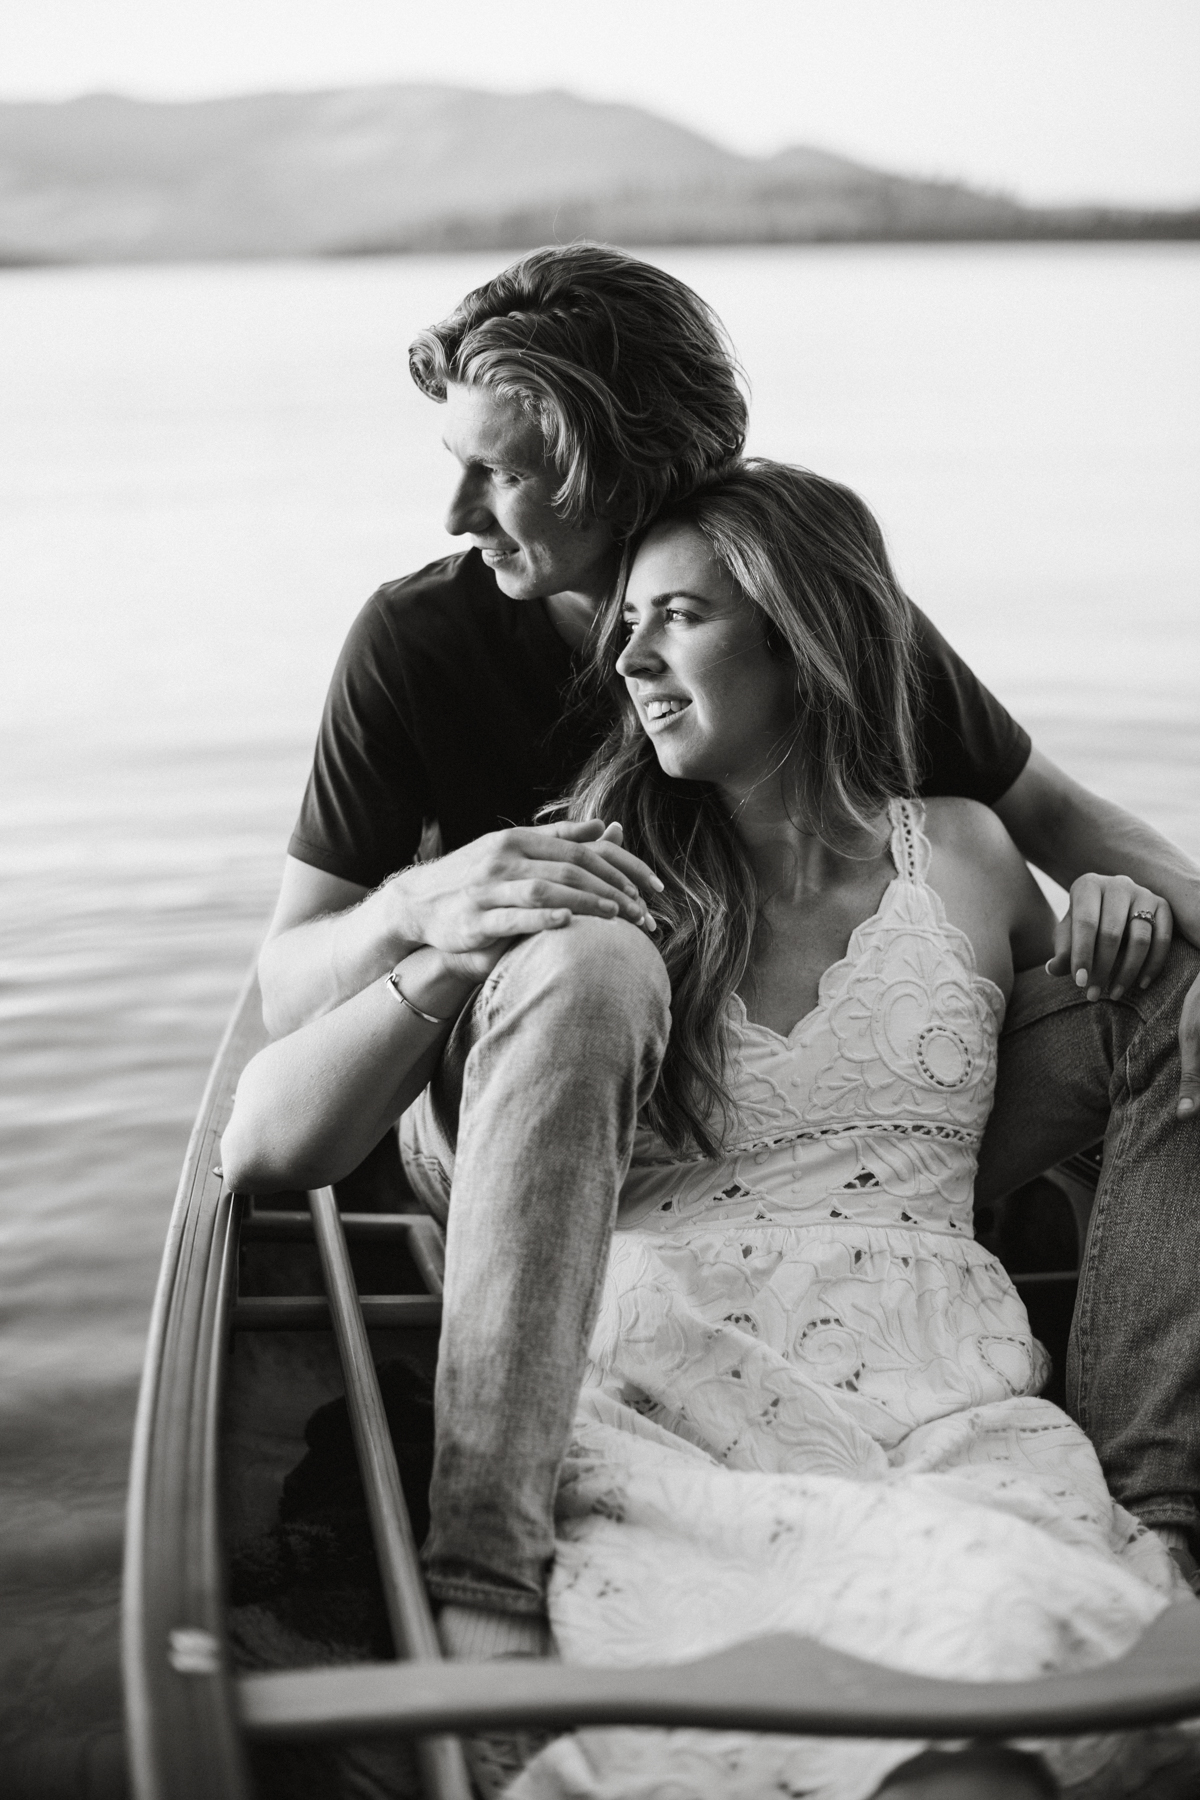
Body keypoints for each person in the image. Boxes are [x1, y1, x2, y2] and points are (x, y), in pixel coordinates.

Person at [223, 462, 1198, 1800]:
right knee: (904, 1727)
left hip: (945, 1388)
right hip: (683, 1387)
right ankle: (489, 1575)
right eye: (626, 617)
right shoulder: (592, 864)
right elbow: (265, 1143)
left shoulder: (968, 853)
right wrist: (441, 939)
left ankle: (1166, 1512)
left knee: (997, 1678)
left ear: (806, 639)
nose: (623, 653)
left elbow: (1091, 1074)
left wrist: (1128, 934)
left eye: (675, 616)